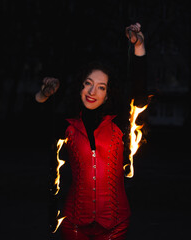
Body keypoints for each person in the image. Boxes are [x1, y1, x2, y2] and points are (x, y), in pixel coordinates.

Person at [35, 23, 147, 240]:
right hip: (74, 223)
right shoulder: (67, 124)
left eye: (101, 87)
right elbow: (35, 123)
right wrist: (43, 95)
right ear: (80, 87)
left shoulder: (120, 123)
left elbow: (140, 92)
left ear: (108, 94)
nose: (92, 91)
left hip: (115, 224)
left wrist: (139, 46)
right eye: (88, 83)